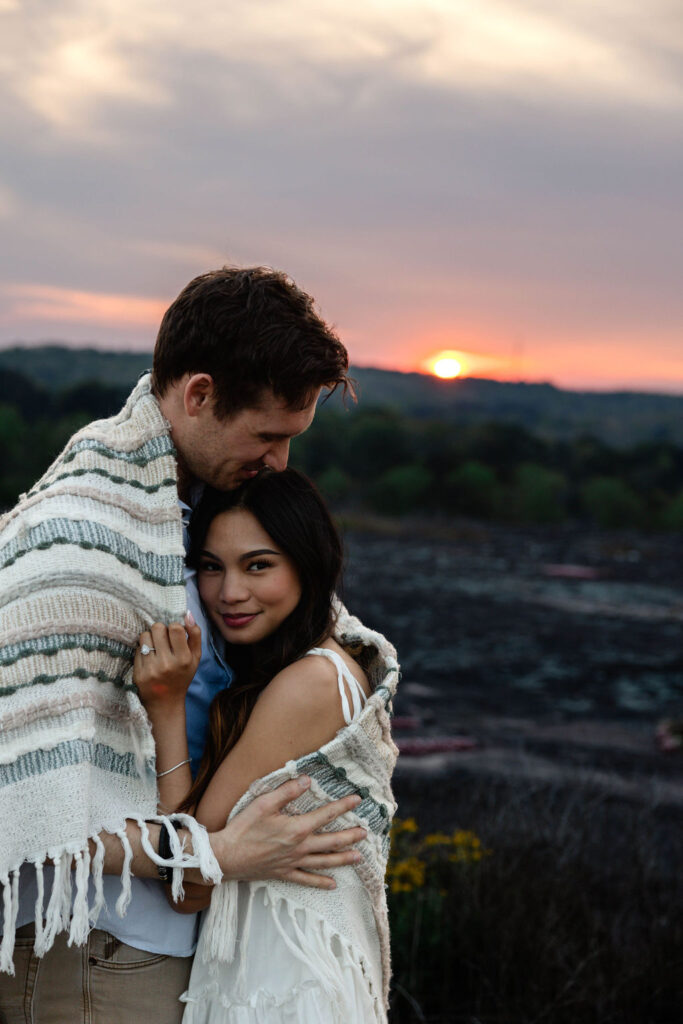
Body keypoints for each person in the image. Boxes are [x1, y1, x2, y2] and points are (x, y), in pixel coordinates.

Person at [0, 267, 368, 1023]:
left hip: (163, 943)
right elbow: (28, 802)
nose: (278, 463)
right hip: (91, 948)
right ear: (198, 395)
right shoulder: (76, 542)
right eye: (267, 435)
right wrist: (214, 856)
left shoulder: (187, 521)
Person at [134, 469, 399, 1023]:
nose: (229, 593)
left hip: (281, 983)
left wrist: (165, 706)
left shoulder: (308, 684)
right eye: (209, 567)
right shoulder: (330, 665)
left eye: (258, 565)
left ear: (307, 564)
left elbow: (188, 877)